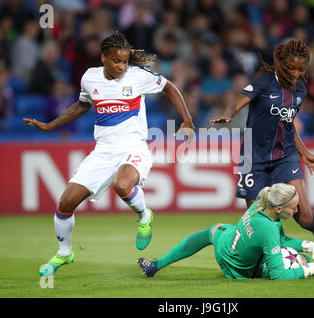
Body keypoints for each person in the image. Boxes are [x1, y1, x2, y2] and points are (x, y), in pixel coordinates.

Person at [24, 31, 195, 277]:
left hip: (134, 146)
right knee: (65, 203)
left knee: (122, 184)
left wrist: (187, 120)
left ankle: (144, 216)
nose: (122, 66)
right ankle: (64, 253)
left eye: (125, 61)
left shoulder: (137, 77)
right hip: (103, 151)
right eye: (117, 61)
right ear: (104, 57)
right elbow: (82, 105)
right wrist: (50, 126)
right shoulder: (90, 78)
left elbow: (168, 86)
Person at [210, 39, 314, 254]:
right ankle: (276, 256)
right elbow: (239, 99)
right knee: (260, 223)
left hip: (285, 155)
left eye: (301, 70)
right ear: (282, 64)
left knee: (303, 215)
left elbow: (287, 124)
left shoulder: (300, 90)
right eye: (291, 68)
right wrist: (229, 114)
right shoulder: (265, 81)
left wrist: (304, 153)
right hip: (253, 157)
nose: (296, 74)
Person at [138, 183, 314, 280]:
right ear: (278, 208)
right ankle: (305, 265)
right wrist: (308, 269)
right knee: (300, 261)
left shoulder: (259, 207)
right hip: (237, 270)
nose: (296, 211)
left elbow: (280, 239)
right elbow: (278, 275)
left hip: (228, 243)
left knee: (212, 231)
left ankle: (156, 265)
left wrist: (307, 245)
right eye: (293, 207)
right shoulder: (268, 228)